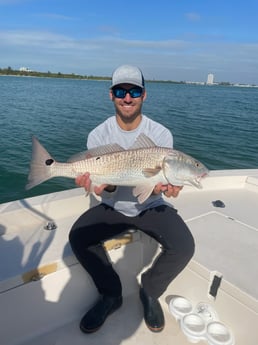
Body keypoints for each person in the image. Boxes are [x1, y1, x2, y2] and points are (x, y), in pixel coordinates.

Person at [69, 65, 195, 334]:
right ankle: (111, 294)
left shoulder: (160, 135)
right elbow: (105, 188)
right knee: (79, 237)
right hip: (113, 206)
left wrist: (167, 188)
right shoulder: (98, 135)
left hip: (151, 206)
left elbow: (156, 182)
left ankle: (149, 291)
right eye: (120, 91)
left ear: (144, 95)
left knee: (184, 246)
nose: (127, 97)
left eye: (134, 91)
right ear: (111, 95)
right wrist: (103, 184)